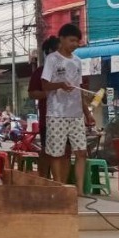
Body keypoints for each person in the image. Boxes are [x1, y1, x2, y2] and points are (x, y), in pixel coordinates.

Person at [41, 23, 88, 190]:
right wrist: (60, 84)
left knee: (81, 152)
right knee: (56, 153)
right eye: (71, 40)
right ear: (62, 39)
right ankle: (59, 187)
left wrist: (87, 113)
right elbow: (44, 85)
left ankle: (79, 190)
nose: (75, 44)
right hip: (56, 114)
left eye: (77, 41)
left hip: (76, 114)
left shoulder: (78, 61)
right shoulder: (52, 59)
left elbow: (79, 89)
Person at [29, 36, 59, 177]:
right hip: (47, 120)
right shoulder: (40, 72)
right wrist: (50, 93)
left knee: (65, 153)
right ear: (50, 52)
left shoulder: (69, 69)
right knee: (47, 151)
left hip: (68, 118)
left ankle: (60, 183)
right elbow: (32, 93)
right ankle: (44, 179)